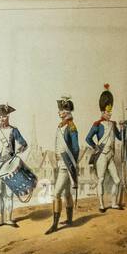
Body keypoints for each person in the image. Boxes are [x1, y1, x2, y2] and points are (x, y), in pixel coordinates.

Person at [0, 103, 27, 228]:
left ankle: (8, 219)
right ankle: (1, 219)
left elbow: (24, 144)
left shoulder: (14, 130)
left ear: (8, 116)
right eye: (0, 117)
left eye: (4, 116)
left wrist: (20, 149)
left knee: (9, 194)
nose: (2, 119)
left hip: (10, 166)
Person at [84, 84, 124, 212]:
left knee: (117, 180)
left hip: (110, 156)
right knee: (101, 180)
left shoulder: (113, 124)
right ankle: (101, 204)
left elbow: (119, 137)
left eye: (110, 111)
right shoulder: (97, 124)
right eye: (107, 112)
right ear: (102, 111)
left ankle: (113, 203)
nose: (110, 114)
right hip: (101, 155)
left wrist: (122, 129)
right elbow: (88, 138)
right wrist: (96, 147)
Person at [45, 95, 79, 234]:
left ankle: (55, 225)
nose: (59, 112)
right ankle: (70, 220)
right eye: (60, 110)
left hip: (66, 165)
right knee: (66, 193)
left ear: (67, 112)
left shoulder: (71, 127)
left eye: (61, 110)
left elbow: (76, 148)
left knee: (56, 194)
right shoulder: (62, 126)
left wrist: (71, 163)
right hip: (61, 163)